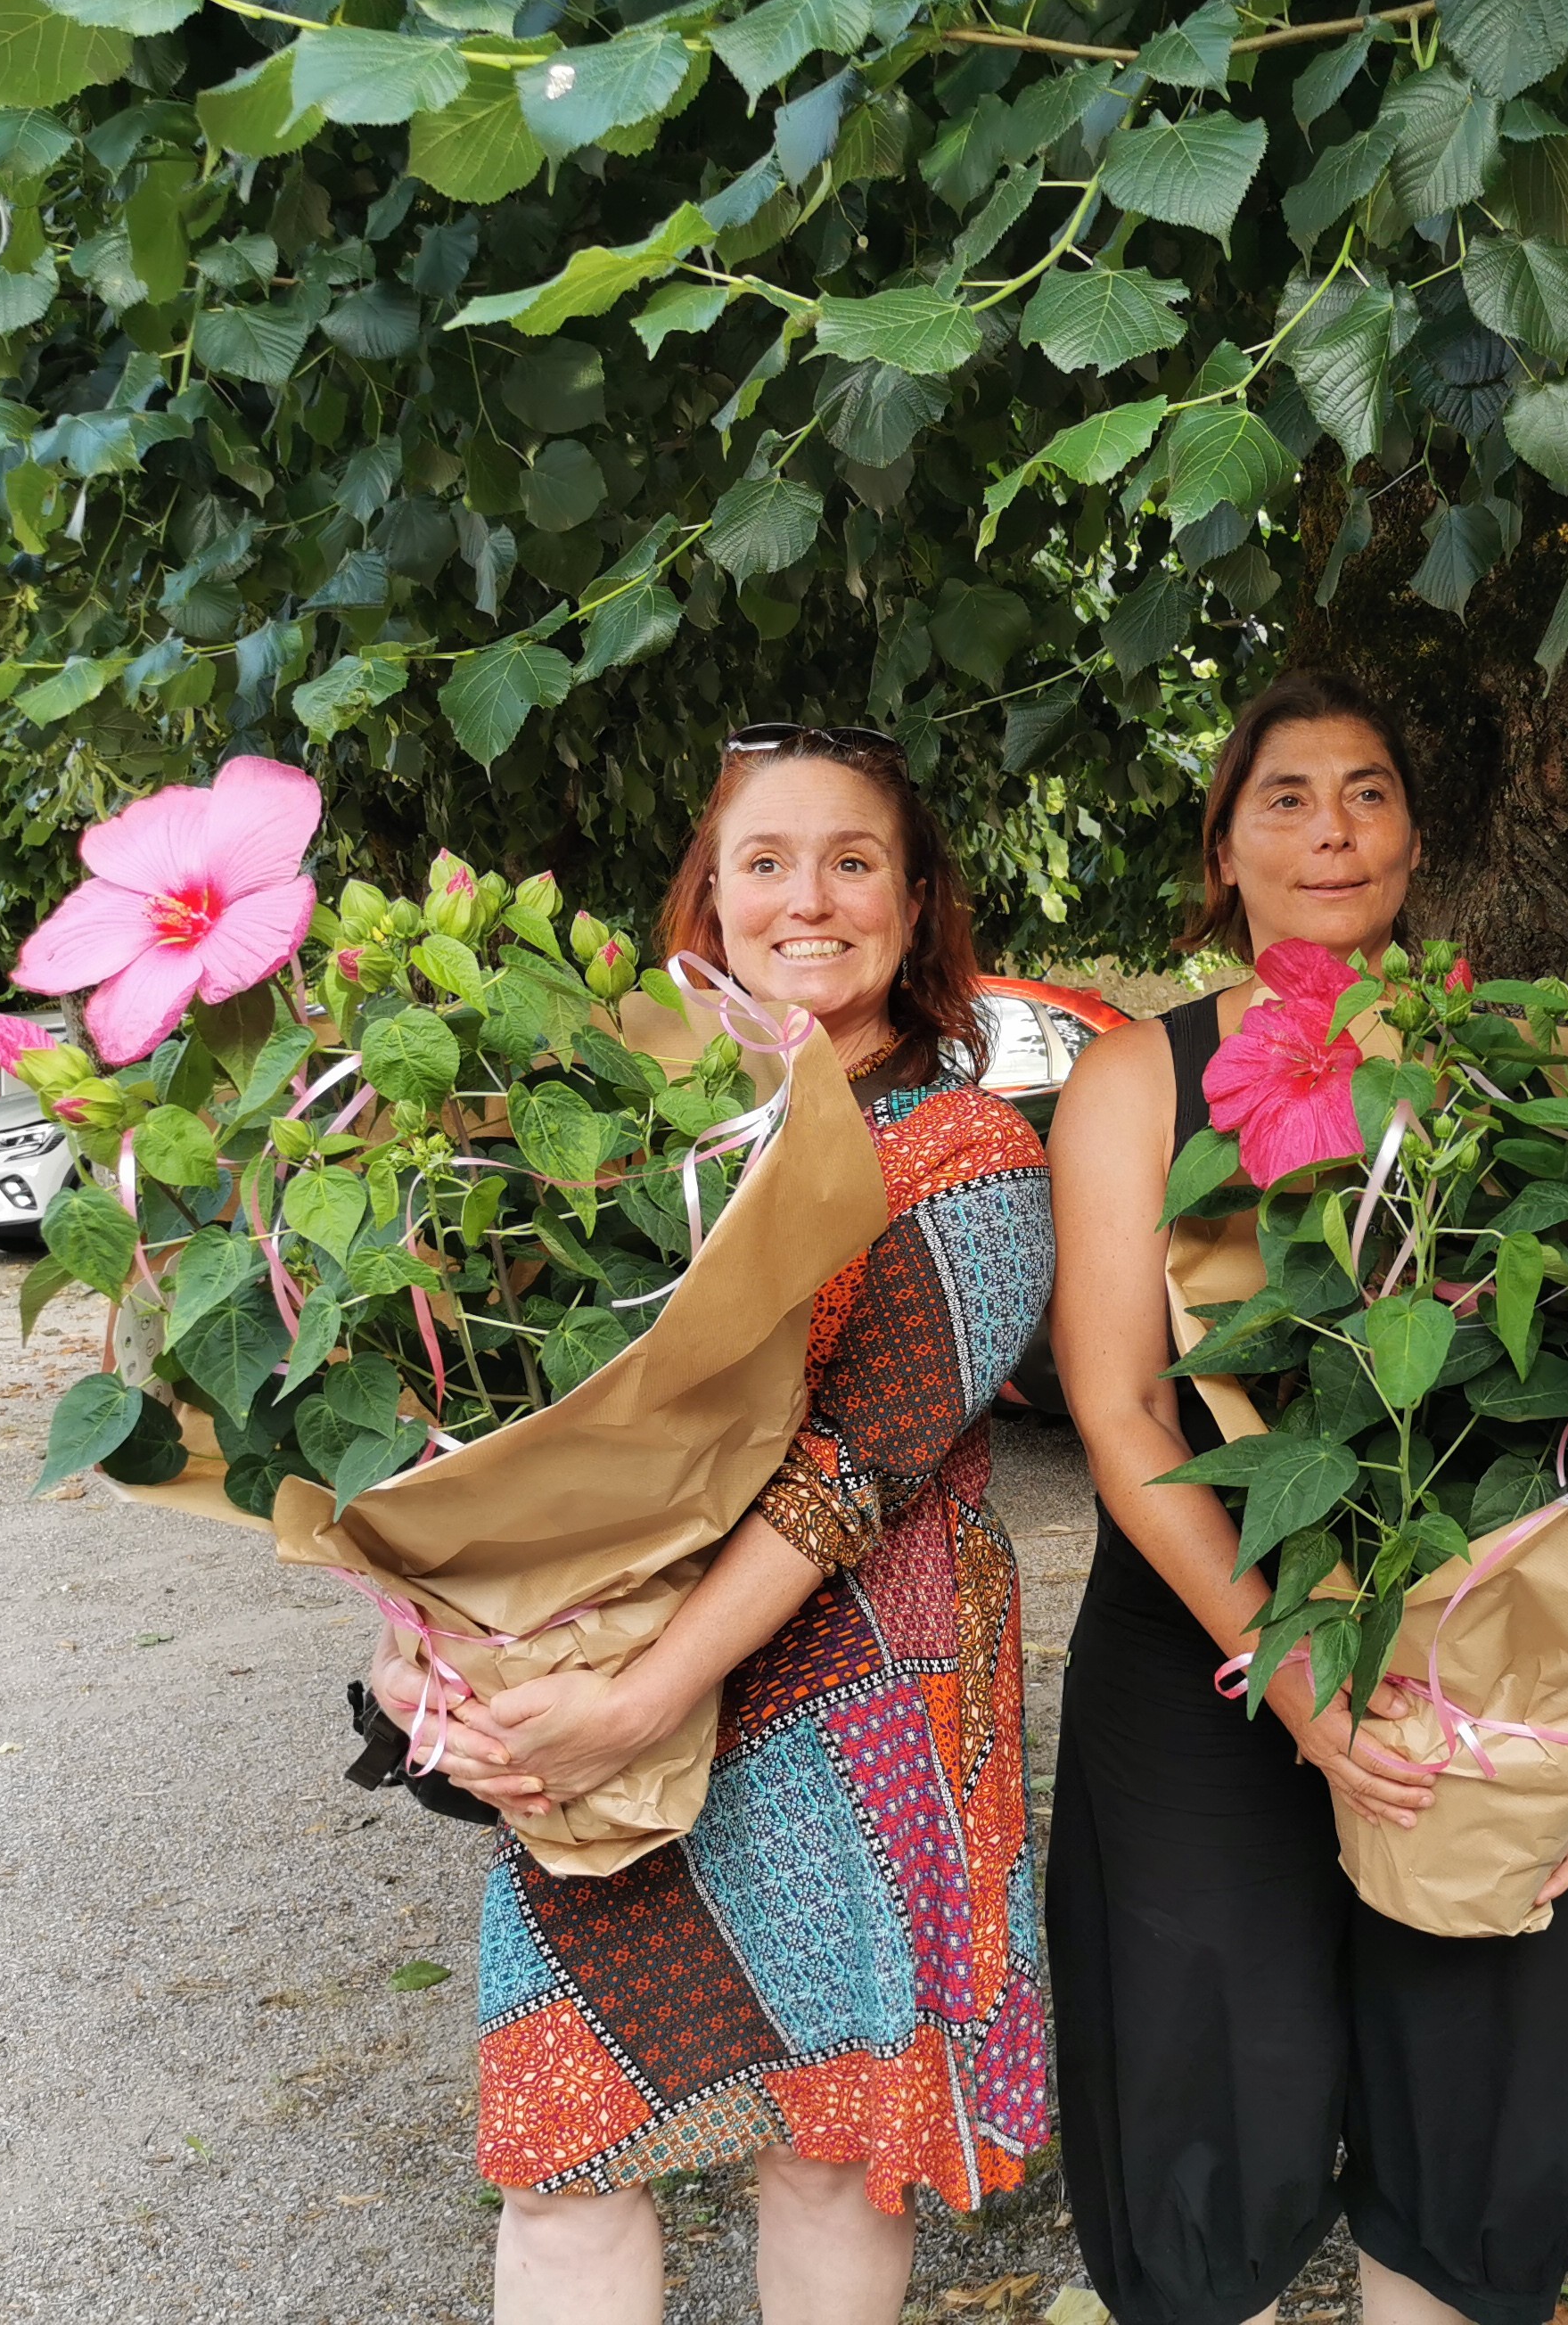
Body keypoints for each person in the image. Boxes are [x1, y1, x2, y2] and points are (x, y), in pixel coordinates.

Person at [369, 722, 1056, 2325]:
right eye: (766, 861)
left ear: (917, 898)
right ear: (710, 897)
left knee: (825, 2144)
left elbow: (858, 1465)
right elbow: (491, 1425)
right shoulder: (606, 1148)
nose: (806, 900)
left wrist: (645, 1698)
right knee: (566, 2147)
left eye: (853, 861)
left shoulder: (966, 1150)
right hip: (601, 1689)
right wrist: (417, 1641)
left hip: (863, 1692)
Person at [1045, 670, 1568, 2325]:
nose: (1331, 828)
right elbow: (1118, 1404)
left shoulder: (1512, 1057)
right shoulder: (1137, 1080)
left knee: (1465, 2083)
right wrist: (1289, 1673)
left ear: (1416, 839)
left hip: (1455, 1644)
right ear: (1224, 848)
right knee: (1205, 2088)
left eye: (1368, 790)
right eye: (1285, 797)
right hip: (1202, 1646)